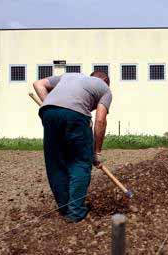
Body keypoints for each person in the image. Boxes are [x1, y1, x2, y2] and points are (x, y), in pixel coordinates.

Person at [33, 71, 112, 222]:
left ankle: (64, 208)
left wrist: (51, 105)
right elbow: (100, 120)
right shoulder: (105, 89)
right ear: (105, 81)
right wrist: (96, 152)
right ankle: (75, 212)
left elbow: (38, 84)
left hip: (48, 112)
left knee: (56, 163)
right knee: (80, 162)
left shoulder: (70, 76)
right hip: (76, 116)